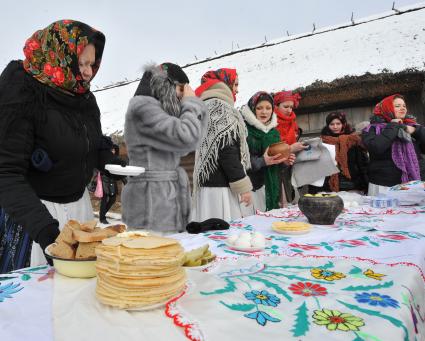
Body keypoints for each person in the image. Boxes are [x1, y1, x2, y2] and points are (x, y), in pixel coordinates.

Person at [0, 20, 120, 271]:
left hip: (78, 212)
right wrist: (45, 231)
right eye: (83, 63)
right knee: (40, 300)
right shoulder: (22, 92)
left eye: (92, 64)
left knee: (80, 296)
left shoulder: (83, 96)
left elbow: (92, 141)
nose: (89, 72)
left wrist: (106, 160)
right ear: (61, 55)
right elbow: (6, 173)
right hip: (34, 219)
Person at [121, 63, 207, 233]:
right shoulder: (143, 108)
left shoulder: (157, 109)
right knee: (153, 253)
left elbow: (185, 147)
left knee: (169, 250)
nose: (182, 96)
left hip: (162, 195)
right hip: (150, 201)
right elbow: (186, 138)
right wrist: (190, 103)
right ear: (168, 85)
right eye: (181, 89)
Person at [192, 68, 253, 221]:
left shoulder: (204, 107)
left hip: (206, 186)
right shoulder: (222, 109)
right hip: (221, 189)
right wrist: (243, 187)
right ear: (225, 84)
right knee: (223, 234)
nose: (237, 90)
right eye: (235, 85)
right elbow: (227, 151)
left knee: (209, 233)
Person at [240, 91, 295, 211]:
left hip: (271, 186)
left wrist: (284, 162)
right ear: (252, 109)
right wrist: (262, 161)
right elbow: (240, 160)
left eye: (268, 108)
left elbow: (276, 163)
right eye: (259, 108)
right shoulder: (243, 130)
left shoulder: (274, 132)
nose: (264, 112)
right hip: (251, 188)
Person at [362, 94, 425, 195]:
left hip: (415, 183)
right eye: (397, 106)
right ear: (387, 108)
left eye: (404, 106)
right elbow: (376, 147)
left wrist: (417, 131)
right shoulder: (372, 129)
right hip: (384, 185)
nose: (402, 108)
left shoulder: (413, 127)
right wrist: (394, 126)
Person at [310, 112, 368, 193]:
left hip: (352, 185)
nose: (335, 127)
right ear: (328, 125)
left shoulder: (353, 140)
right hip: (328, 186)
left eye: (338, 123)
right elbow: (316, 167)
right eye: (332, 124)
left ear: (343, 124)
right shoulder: (321, 142)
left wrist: (366, 185)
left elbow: (362, 164)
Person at [273, 90, 308, 203]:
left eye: (291, 107)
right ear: (276, 106)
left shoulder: (293, 124)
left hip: (291, 170)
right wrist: (291, 148)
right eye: (286, 106)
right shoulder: (270, 124)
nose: (289, 110)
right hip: (276, 172)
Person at [99, 143, 124, 224]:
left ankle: (102, 214)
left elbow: (119, 172)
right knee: (104, 199)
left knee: (113, 199)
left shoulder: (116, 159)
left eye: (114, 150)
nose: (112, 151)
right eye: (111, 150)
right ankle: (102, 218)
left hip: (112, 180)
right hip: (104, 180)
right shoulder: (104, 158)